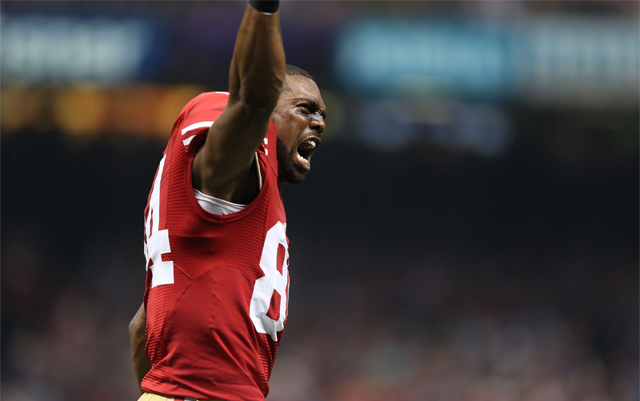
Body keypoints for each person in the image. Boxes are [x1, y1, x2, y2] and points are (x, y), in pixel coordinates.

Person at [128, 1, 327, 400]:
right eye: (305, 109)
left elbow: (140, 329)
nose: (319, 123)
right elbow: (252, 100)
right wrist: (264, 9)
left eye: (322, 115)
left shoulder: (231, 198)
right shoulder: (229, 173)